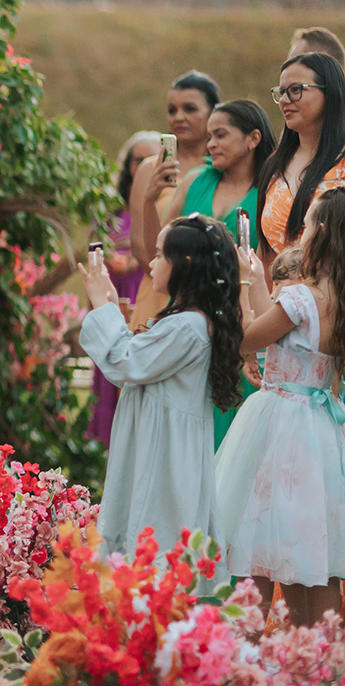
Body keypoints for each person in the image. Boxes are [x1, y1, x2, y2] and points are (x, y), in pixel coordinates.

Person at [78, 215, 241, 563]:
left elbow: (125, 363)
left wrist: (102, 304)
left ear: (184, 263)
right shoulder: (185, 322)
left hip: (165, 460)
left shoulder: (187, 326)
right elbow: (136, 362)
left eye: (158, 255)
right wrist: (108, 301)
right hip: (162, 451)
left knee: (156, 549)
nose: (150, 264)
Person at [217, 188, 345, 628]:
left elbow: (248, 337)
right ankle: (324, 657)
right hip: (322, 431)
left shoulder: (300, 298)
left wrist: (244, 282)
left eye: (307, 224)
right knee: (315, 552)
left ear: (321, 232)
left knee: (268, 543)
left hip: (282, 427)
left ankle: (256, 653)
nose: (301, 232)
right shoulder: (337, 300)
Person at [161, 99, 276, 448]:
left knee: (232, 442)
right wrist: (147, 197)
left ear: (253, 138)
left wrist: (252, 342)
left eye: (220, 135)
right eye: (209, 136)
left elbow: (272, 268)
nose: (210, 144)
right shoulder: (197, 180)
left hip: (244, 329)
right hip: (191, 323)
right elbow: (160, 249)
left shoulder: (274, 191)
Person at [128, 70, 220, 331]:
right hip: (158, 294)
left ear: (214, 112)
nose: (178, 117)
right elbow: (138, 245)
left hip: (209, 300)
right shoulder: (149, 169)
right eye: (172, 110)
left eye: (190, 108)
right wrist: (176, 287)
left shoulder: (222, 168)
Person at [85, 131, 157, 446]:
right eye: (136, 158)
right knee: (110, 360)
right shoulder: (111, 209)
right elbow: (95, 248)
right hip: (112, 288)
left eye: (149, 157)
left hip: (144, 288)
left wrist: (135, 259)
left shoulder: (163, 202)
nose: (142, 164)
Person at [258, 52, 345, 261]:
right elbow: (267, 255)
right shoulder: (274, 166)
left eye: (296, 90)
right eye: (281, 92)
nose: (285, 100)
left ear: (330, 93)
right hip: (280, 293)